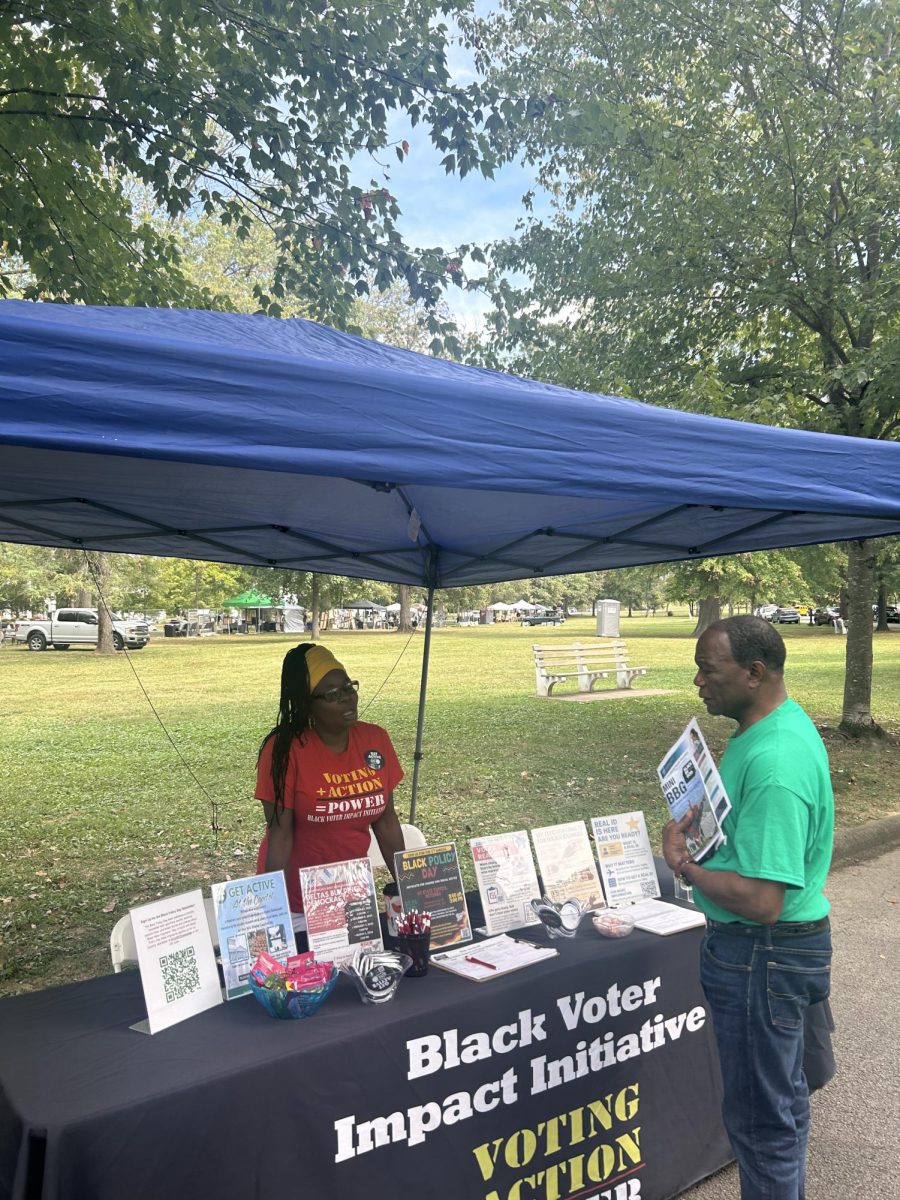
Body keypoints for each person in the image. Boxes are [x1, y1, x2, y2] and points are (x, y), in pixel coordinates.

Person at [662, 616, 833, 1200]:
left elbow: (762, 901)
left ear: (754, 673)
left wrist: (684, 865)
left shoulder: (776, 764)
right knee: (779, 1106)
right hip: (774, 952)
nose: (698, 682)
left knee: (762, 1128)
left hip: (764, 953)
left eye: (708, 669)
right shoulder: (763, 730)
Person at [255, 643, 405, 918]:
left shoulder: (375, 739)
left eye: (349, 687)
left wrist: (410, 888)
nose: (348, 698)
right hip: (298, 906)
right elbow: (280, 834)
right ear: (308, 704)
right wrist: (271, 911)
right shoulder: (284, 750)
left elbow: (386, 822)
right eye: (334, 694)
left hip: (352, 896)